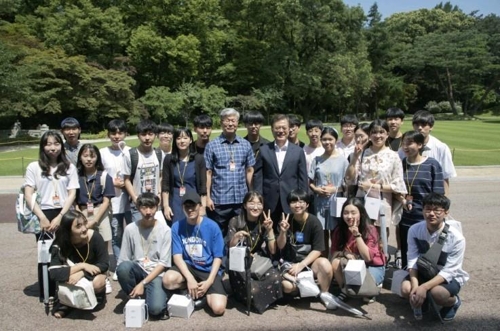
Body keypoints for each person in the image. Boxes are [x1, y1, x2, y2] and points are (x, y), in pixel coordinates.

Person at [24, 130, 79, 303]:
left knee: (66, 250)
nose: (52, 148)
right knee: (45, 253)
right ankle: (47, 291)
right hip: (43, 213)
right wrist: (41, 217)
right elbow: (28, 194)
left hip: (64, 213)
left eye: (56, 144)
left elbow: (71, 194)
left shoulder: (69, 167)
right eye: (48, 144)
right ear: (42, 146)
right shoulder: (34, 167)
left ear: (61, 146)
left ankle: (66, 288)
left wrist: (61, 216)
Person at [401, 193, 468, 321]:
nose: (431, 213)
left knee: (438, 294)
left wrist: (423, 287)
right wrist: (415, 287)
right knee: (406, 289)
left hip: (446, 276)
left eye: (437, 210)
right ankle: (423, 301)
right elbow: (412, 259)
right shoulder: (414, 230)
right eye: (427, 209)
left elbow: (449, 271)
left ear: (446, 213)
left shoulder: (457, 238)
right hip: (424, 270)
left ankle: (453, 302)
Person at [163, 191, 227, 316]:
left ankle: (203, 294)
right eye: (187, 206)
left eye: (193, 206)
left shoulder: (212, 226)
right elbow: (177, 257)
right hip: (189, 267)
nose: (190, 209)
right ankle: (189, 288)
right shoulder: (176, 227)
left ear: (200, 206)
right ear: (182, 208)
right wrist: (190, 278)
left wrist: (209, 281)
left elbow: (218, 257)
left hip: (208, 269)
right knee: (168, 280)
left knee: (218, 309)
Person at [345, 119, 407, 242]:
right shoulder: (363, 153)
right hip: (363, 199)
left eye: (381, 132)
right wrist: (355, 157)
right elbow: (349, 177)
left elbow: (398, 184)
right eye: (374, 132)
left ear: (387, 134)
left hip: (383, 200)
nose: (378, 136)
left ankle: (380, 258)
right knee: (362, 231)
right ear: (370, 135)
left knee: (380, 233)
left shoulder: (393, 156)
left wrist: (376, 187)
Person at [277, 189, 337, 310]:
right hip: (291, 263)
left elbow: (318, 249)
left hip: (309, 263)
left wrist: (302, 264)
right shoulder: (286, 220)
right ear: (289, 204)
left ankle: (324, 294)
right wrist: (283, 232)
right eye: (293, 202)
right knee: (287, 286)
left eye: (301, 201)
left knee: (325, 264)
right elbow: (280, 246)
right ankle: (302, 290)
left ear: (307, 204)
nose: (297, 205)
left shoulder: (314, 222)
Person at [116, 193, 171, 319]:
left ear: (157, 208)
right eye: (144, 207)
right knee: (123, 268)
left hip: (156, 273)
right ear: (138, 208)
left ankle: (153, 295)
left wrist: (143, 283)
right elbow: (123, 259)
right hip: (138, 269)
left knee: (156, 310)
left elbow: (163, 264)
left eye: (152, 207)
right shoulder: (130, 229)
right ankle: (134, 296)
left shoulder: (165, 230)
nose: (148, 212)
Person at [226, 191, 282, 313]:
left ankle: (256, 297)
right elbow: (229, 250)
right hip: (239, 263)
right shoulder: (235, 221)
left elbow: (272, 250)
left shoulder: (264, 222)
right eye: (251, 203)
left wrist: (270, 230)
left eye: (259, 204)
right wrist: (235, 238)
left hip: (257, 262)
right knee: (253, 290)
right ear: (245, 205)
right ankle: (252, 296)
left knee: (276, 277)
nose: (255, 207)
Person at [204, 108, 255, 236]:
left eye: (233, 121)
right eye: (227, 121)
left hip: (240, 198)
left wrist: (252, 193)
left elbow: (249, 170)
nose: (230, 124)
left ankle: (241, 255)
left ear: (238, 123)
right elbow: (208, 173)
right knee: (219, 233)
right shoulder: (212, 145)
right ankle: (220, 255)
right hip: (219, 199)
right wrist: (208, 197)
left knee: (241, 231)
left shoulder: (245, 144)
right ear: (221, 123)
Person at [49, 211, 109, 318]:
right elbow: (53, 273)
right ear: (68, 229)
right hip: (72, 277)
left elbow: (104, 264)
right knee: (65, 276)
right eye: (78, 226)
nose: (84, 228)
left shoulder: (95, 237)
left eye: (85, 223)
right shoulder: (59, 244)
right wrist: (82, 266)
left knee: (99, 281)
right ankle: (69, 303)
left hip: (91, 275)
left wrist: (82, 273)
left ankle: (94, 299)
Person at [399, 131, 445, 268]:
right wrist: (402, 199)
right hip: (406, 217)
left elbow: (438, 194)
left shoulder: (432, 164)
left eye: (410, 143)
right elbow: (397, 188)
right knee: (408, 251)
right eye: (404, 143)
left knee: (428, 254)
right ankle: (409, 278)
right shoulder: (402, 163)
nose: (406, 147)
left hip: (426, 218)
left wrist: (433, 214)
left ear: (420, 145)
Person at [75, 144, 115, 293]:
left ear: (97, 157)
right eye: (85, 156)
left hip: (100, 212)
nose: (89, 159)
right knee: (82, 243)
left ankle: (104, 276)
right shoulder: (76, 176)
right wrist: (80, 216)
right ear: (80, 157)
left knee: (103, 244)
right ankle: (86, 274)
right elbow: (73, 199)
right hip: (82, 211)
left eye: (92, 156)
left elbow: (106, 200)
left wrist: (96, 219)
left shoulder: (104, 176)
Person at [255, 114, 308, 224]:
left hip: (292, 200)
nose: (281, 131)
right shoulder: (264, 150)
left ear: (289, 129)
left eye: (284, 128)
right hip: (269, 200)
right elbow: (258, 177)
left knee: (291, 232)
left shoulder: (298, 151)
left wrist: (303, 200)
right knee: (269, 232)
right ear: (272, 129)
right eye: (277, 128)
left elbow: (302, 178)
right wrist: (259, 199)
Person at [330, 198, 386, 303]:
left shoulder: (370, 229)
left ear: (361, 214)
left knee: (364, 296)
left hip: (372, 266)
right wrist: (344, 253)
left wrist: (357, 235)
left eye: (353, 213)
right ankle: (345, 290)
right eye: (346, 213)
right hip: (351, 265)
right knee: (335, 262)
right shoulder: (339, 230)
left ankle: (373, 288)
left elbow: (368, 258)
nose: (349, 216)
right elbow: (333, 255)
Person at [100, 119, 132, 281]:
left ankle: (134, 264)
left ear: (125, 134)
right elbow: (98, 174)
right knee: (116, 234)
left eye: (120, 132)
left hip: (130, 199)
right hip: (112, 202)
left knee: (134, 232)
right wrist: (112, 182)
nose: (117, 136)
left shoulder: (131, 151)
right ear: (108, 134)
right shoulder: (102, 153)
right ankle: (120, 265)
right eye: (113, 133)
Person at [309, 127, 348, 256]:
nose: (327, 142)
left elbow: (348, 185)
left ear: (336, 140)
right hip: (320, 202)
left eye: (330, 139)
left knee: (336, 232)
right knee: (321, 233)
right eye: (324, 139)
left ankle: (336, 259)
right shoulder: (317, 160)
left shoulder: (342, 160)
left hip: (336, 201)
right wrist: (316, 189)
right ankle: (323, 259)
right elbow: (310, 181)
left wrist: (334, 189)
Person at [162, 127, 207, 225]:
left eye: (185, 138)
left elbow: (203, 186)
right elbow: (165, 185)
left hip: (194, 201)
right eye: (178, 138)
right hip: (176, 202)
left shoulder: (199, 159)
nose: (182, 141)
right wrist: (166, 206)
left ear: (190, 140)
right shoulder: (169, 159)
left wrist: (203, 206)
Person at [408, 110, 456, 195]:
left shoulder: (441, 148)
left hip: (432, 198)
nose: (419, 128)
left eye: (423, 125)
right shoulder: (405, 147)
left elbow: (445, 177)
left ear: (431, 127)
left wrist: (444, 203)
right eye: (417, 124)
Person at [123, 119, 162, 222]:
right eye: (143, 134)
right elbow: (126, 179)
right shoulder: (131, 154)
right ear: (138, 135)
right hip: (139, 204)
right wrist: (135, 198)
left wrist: (159, 194)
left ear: (155, 135)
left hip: (155, 202)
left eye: (150, 134)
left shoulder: (159, 153)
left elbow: (160, 176)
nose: (147, 138)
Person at [242, 111, 270, 183]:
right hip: (243, 183)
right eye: (250, 124)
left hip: (262, 182)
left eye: (256, 123)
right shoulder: (240, 145)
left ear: (261, 125)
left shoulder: (268, 145)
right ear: (245, 125)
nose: (254, 126)